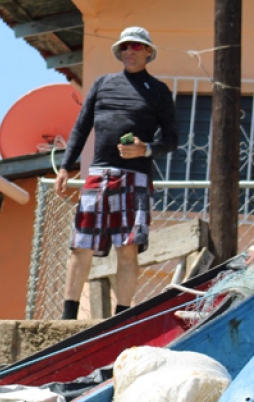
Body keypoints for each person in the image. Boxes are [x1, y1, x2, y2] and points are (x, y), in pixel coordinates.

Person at [55, 27, 179, 319]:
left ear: (148, 51)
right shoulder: (102, 84)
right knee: (81, 244)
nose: (130, 51)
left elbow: (172, 139)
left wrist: (145, 149)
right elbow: (80, 128)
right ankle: (67, 316)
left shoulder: (159, 91)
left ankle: (121, 316)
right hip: (98, 174)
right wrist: (64, 167)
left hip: (134, 178)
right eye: (125, 47)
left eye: (137, 46)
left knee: (128, 249)